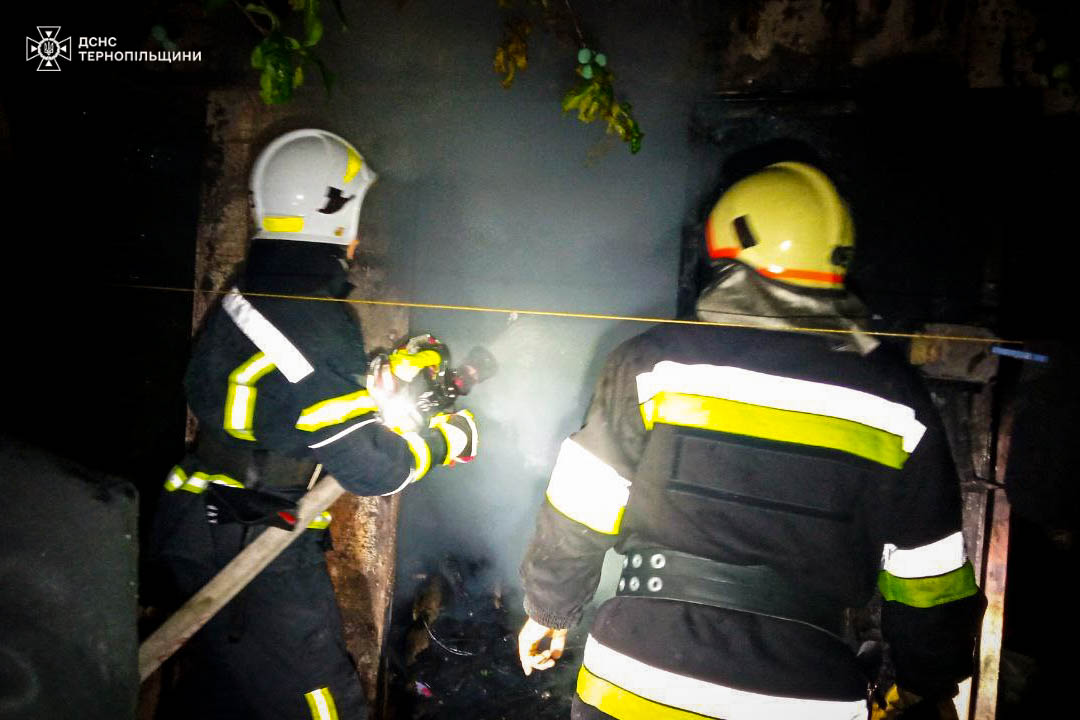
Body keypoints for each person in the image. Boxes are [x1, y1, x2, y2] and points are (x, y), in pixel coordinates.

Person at [516, 161, 983, 720]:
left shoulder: (653, 362)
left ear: (727, 258)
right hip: (805, 694)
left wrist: (548, 612)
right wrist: (929, 683)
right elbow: (928, 572)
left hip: (639, 675)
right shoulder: (896, 398)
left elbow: (582, 506)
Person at [151, 129, 478, 720]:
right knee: (322, 702)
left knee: (230, 689)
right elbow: (375, 470)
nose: (357, 239)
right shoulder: (314, 318)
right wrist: (448, 440)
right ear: (338, 218)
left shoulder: (254, 292)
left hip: (201, 517)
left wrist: (376, 380)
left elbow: (289, 396)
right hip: (249, 537)